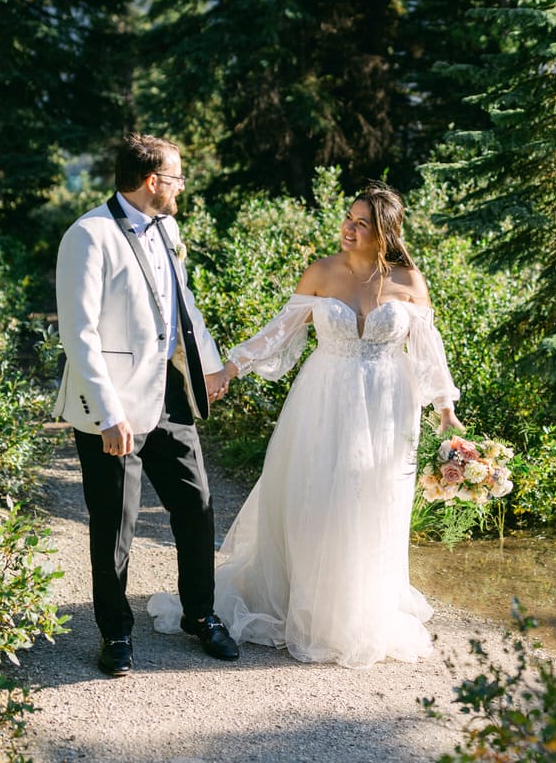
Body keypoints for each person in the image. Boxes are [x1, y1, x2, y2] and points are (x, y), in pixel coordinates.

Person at [150, 183, 462, 667]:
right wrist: (230, 367)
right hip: (324, 400)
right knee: (319, 495)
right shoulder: (321, 272)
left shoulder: (409, 280)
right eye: (348, 218)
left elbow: (428, 350)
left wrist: (445, 406)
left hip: (387, 407)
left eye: (362, 223)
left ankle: (358, 608)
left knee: (372, 500)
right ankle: (307, 604)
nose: (349, 228)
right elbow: (281, 331)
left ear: (385, 232)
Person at [53, 133, 240, 676]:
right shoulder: (88, 235)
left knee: (197, 508)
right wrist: (109, 414)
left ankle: (200, 616)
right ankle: (115, 634)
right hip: (112, 409)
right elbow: (79, 333)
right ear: (153, 181)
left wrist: (206, 365)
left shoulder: (168, 227)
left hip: (169, 398)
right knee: (115, 524)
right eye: (177, 177)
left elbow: (181, 306)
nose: (183, 186)